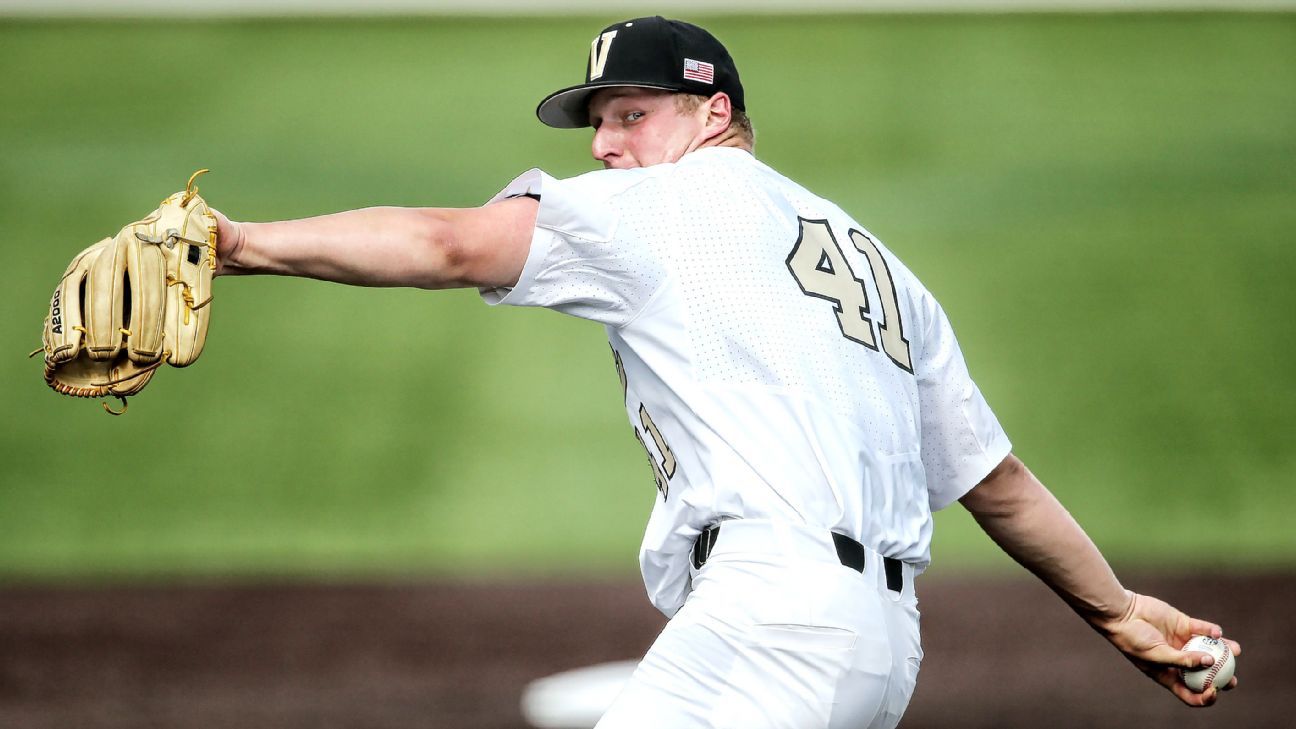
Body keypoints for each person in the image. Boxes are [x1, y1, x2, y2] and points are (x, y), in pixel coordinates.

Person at [211, 16, 1239, 729]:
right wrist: (1115, 609)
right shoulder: (878, 266)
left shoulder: (673, 207)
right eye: (599, 122)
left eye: (632, 115)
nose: (608, 147)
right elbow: (997, 484)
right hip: (879, 651)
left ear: (713, 114)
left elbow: (445, 243)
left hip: (777, 620)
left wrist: (238, 243)